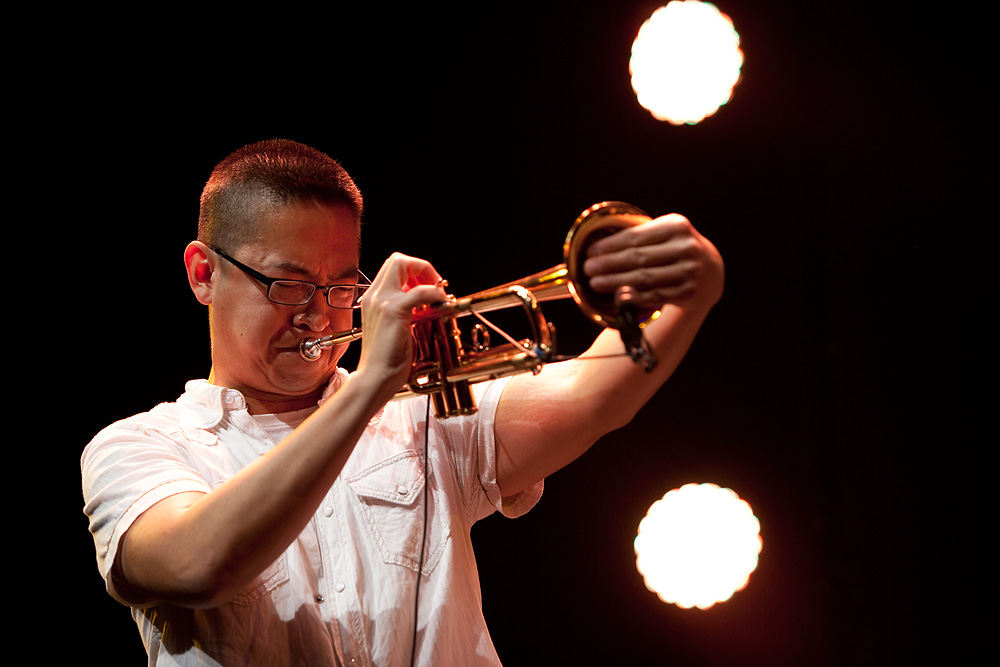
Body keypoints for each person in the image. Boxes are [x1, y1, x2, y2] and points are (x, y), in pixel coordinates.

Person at [82, 138, 724, 666]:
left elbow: (597, 394)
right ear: (203, 274)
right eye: (288, 285)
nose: (320, 316)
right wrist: (368, 386)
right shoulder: (137, 447)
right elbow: (197, 565)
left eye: (341, 286)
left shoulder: (420, 416)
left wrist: (693, 288)